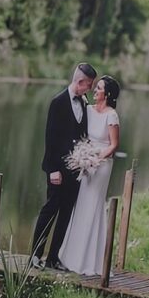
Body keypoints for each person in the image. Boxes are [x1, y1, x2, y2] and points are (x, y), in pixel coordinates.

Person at [56, 76, 121, 276]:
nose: (94, 90)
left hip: (101, 165)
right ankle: (71, 257)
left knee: (93, 205)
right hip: (85, 162)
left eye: (98, 88)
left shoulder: (112, 115)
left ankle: (91, 261)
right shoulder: (88, 109)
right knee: (81, 204)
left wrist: (96, 158)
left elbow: (114, 145)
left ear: (106, 94)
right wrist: (83, 156)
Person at [32, 63, 97, 264]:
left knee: (66, 213)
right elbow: (50, 138)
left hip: (76, 170)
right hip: (57, 170)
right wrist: (52, 170)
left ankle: (53, 257)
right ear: (80, 81)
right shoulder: (58, 102)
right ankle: (35, 255)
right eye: (89, 85)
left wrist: (85, 160)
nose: (90, 89)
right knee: (50, 210)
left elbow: (82, 135)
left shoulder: (84, 103)